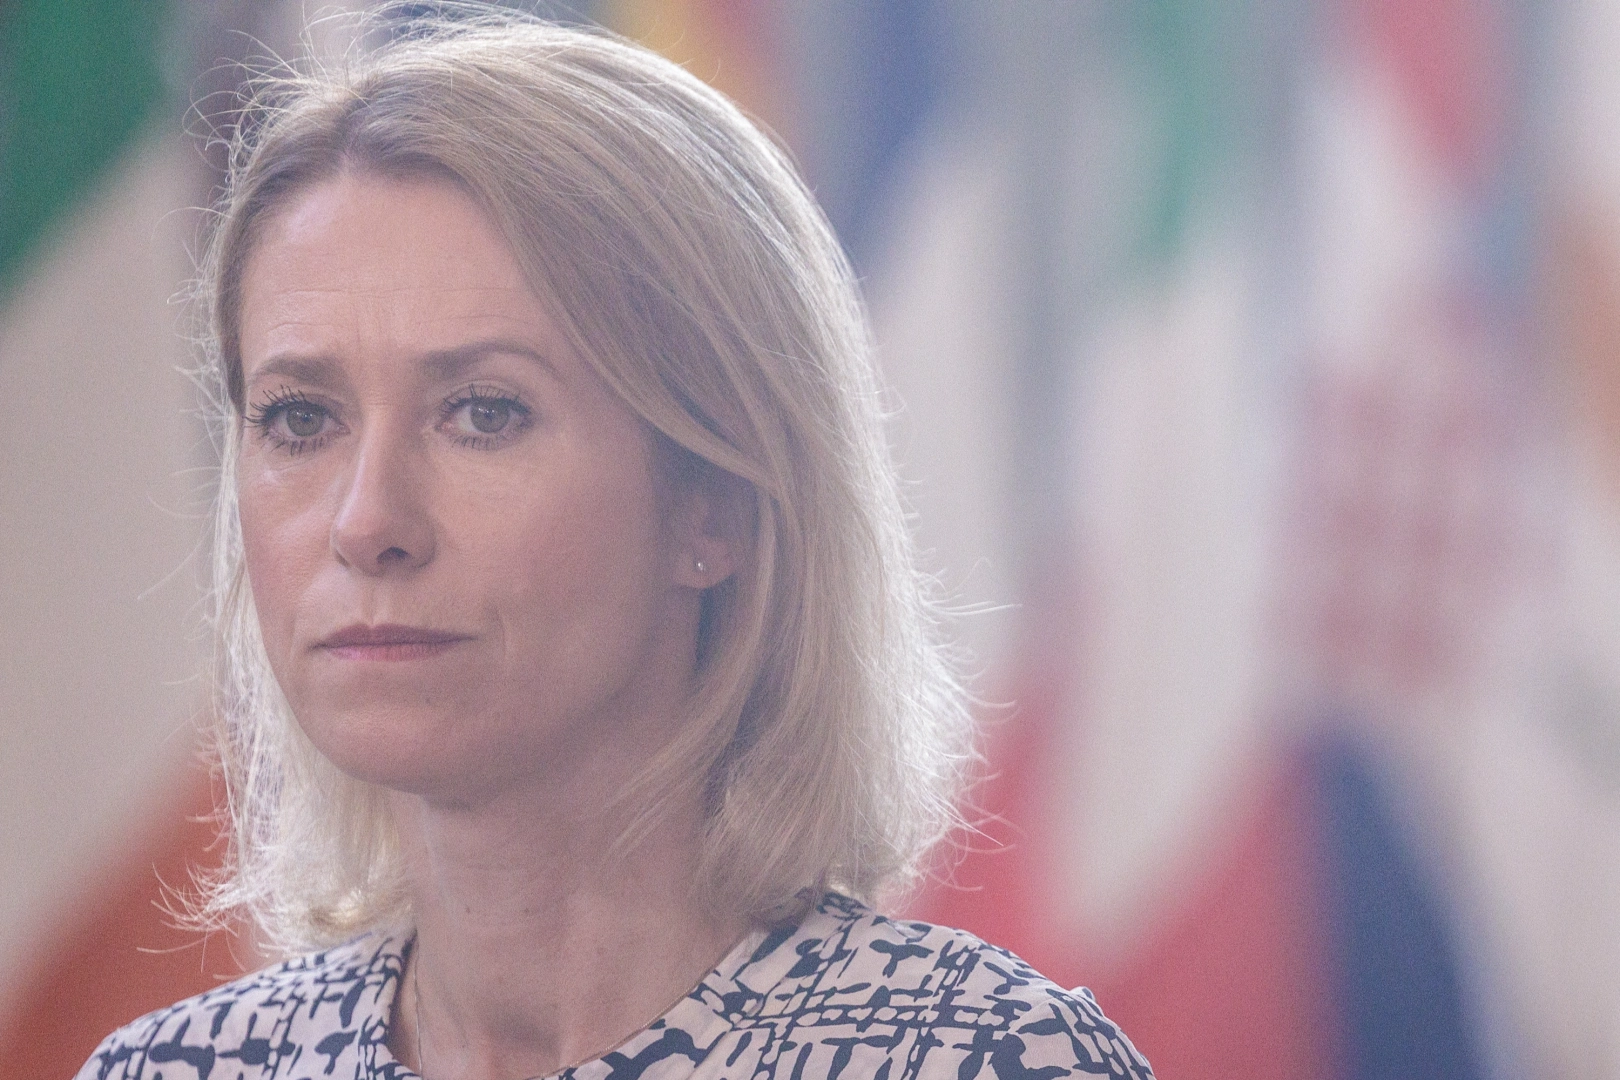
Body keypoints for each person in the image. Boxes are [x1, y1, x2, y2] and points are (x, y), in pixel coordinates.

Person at [76, 8, 1153, 1080]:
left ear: (715, 505)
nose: (366, 523)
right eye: (301, 418)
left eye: (484, 412)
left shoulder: (984, 1061)